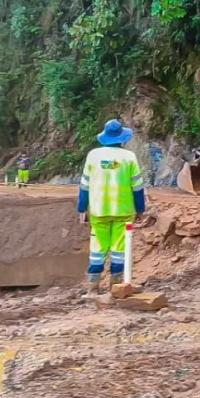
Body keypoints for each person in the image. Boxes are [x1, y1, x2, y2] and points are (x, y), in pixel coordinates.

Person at [77, 119, 145, 295]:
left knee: (97, 248)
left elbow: (84, 185)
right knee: (118, 249)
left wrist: (82, 208)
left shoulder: (93, 156)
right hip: (123, 211)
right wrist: (140, 209)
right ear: (122, 138)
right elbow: (137, 187)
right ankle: (115, 287)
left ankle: (92, 288)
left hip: (99, 211)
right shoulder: (129, 157)